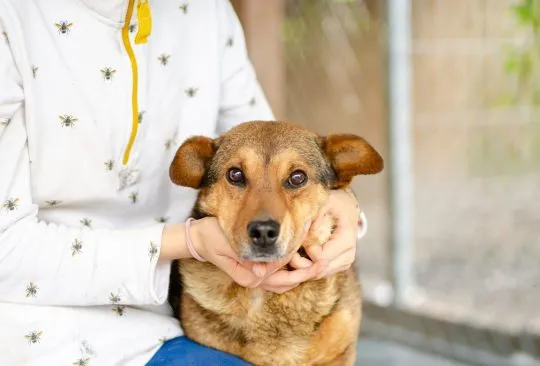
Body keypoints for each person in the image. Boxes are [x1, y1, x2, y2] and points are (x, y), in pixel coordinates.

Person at [0, 0, 363, 364]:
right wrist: (185, 242)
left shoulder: (208, 11)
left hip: (164, 323)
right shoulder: (13, 19)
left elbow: (267, 148)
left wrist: (343, 205)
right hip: (37, 330)